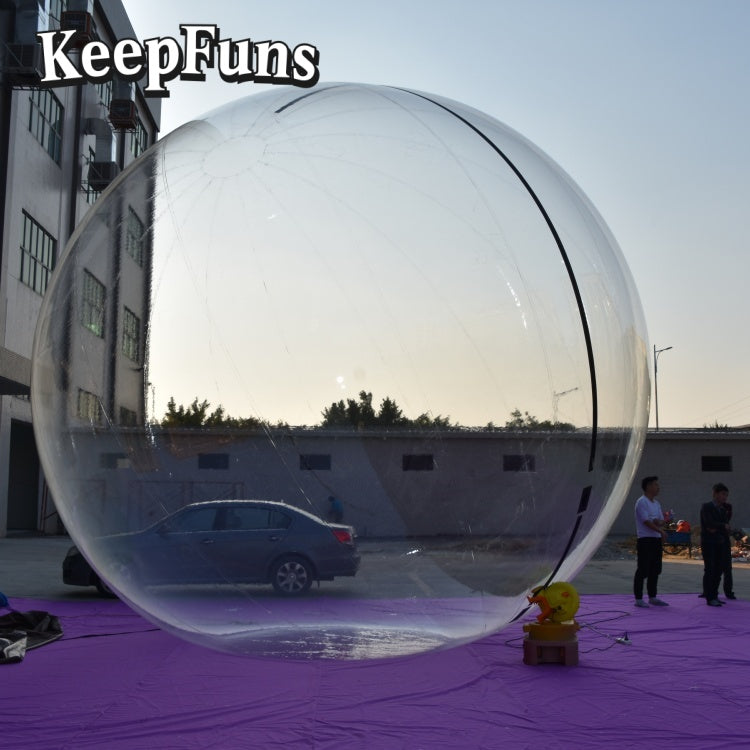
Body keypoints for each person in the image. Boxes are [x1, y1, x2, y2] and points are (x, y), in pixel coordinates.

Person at [633, 476, 669, 607]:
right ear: (648, 487)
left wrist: (664, 520)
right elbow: (646, 521)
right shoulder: (641, 502)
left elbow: (657, 520)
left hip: (655, 540)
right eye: (655, 484)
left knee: (655, 569)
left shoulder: (656, 503)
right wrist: (660, 531)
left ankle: (652, 597)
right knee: (643, 569)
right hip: (645, 539)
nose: (658, 487)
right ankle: (638, 599)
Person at [700, 482, 734, 606]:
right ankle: (709, 597)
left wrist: (721, 527)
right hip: (709, 543)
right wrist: (722, 526)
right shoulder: (707, 507)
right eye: (723, 494)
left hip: (720, 543)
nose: (725, 497)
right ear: (715, 494)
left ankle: (714, 595)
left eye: (726, 495)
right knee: (710, 569)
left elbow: (724, 526)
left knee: (718, 570)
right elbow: (709, 525)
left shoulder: (723, 509)